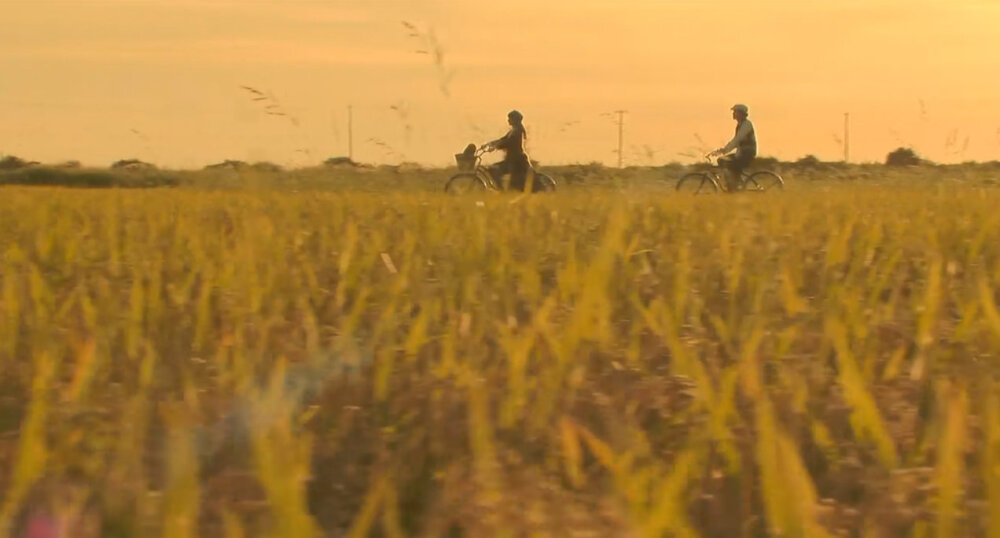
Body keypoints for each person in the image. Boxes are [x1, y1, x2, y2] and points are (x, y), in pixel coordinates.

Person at [709, 104, 757, 191]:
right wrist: (723, 150)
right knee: (722, 160)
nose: (733, 114)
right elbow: (736, 142)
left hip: (747, 153)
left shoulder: (747, 125)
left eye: (735, 112)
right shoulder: (740, 125)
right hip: (742, 152)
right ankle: (734, 184)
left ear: (741, 113)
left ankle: (734, 186)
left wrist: (724, 150)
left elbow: (737, 139)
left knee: (731, 165)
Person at [485, 110, 531, 190]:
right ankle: (501, 189)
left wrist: (496, 146)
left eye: (510, 118)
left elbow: (508, 143)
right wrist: (490, 144)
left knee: (494, 170)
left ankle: (501, 190)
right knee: (493, 169)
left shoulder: (517, 131)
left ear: (515, 119)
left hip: (515, 160)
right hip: (511, 159)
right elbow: (503, 139)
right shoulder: (513, 130)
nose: (508, 120)